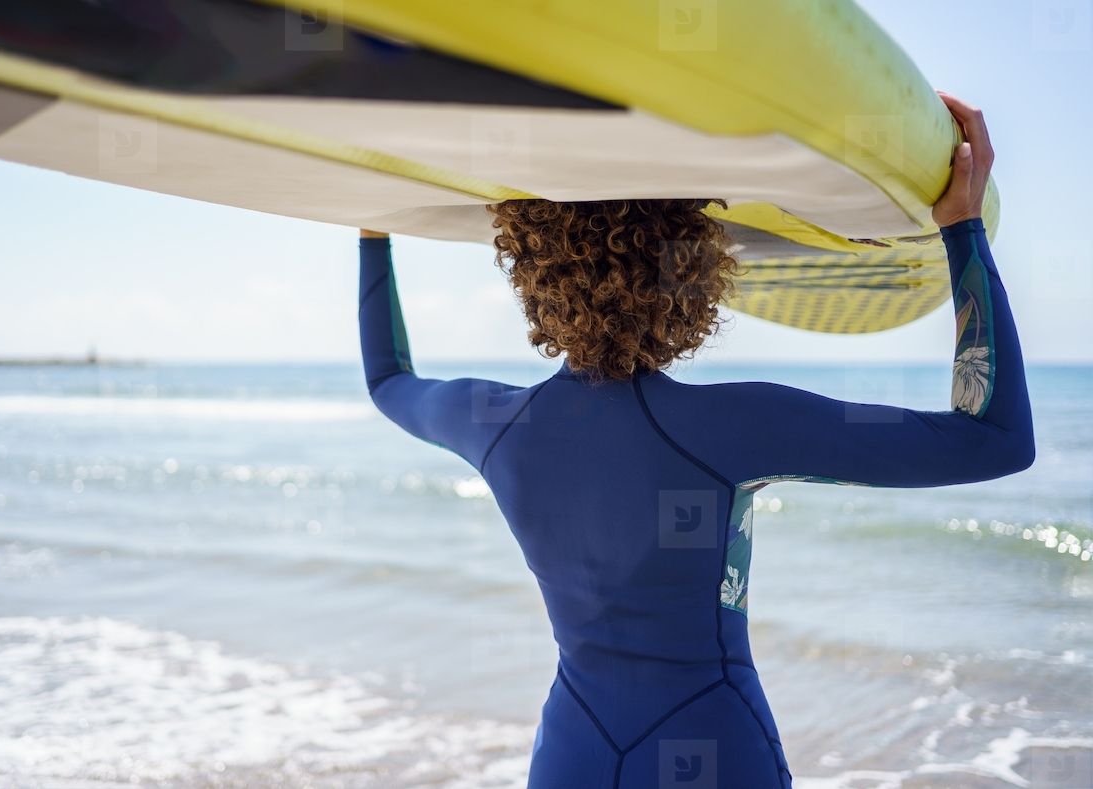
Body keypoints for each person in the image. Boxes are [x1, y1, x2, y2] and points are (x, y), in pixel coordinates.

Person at [357, 91, 1032, 788]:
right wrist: (962, 230)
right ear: (693, 276)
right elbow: (995, 438)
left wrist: (370, 232)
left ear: (532, 273)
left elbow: (387, 379)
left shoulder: (492, 425)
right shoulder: (739, 426)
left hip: (572, 751)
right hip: (713, 745)